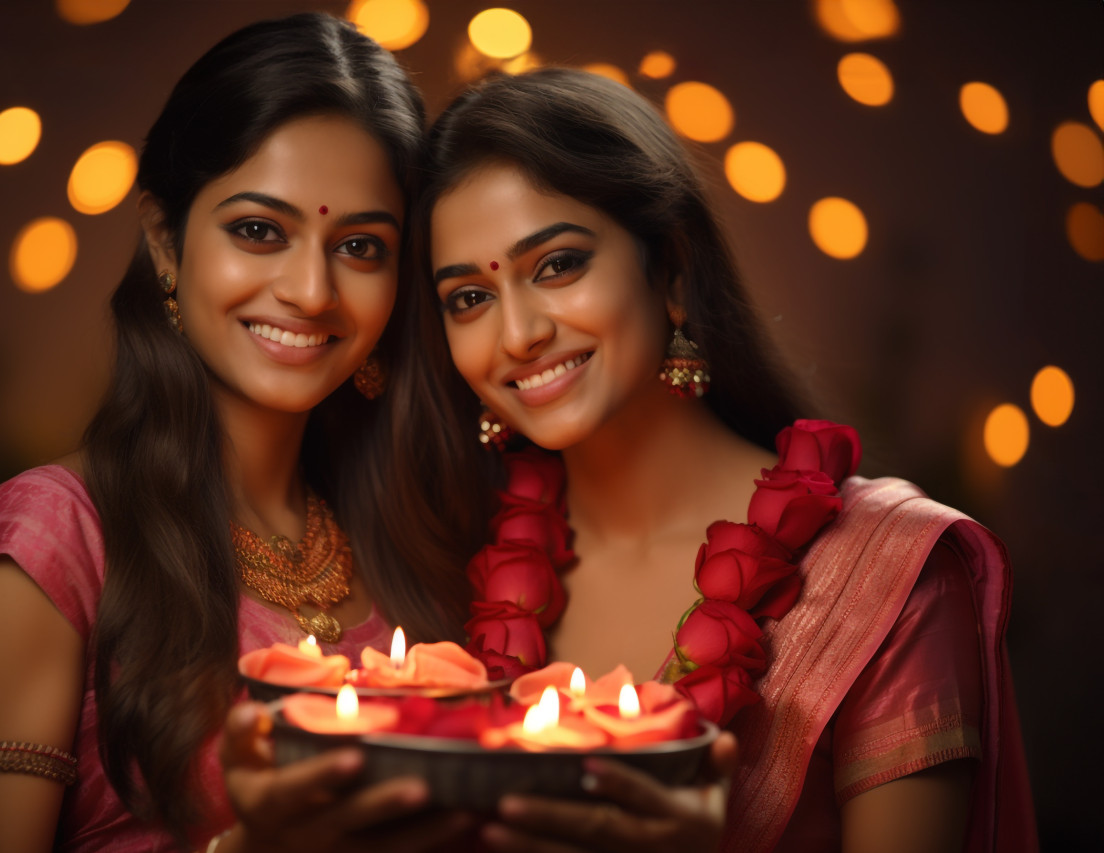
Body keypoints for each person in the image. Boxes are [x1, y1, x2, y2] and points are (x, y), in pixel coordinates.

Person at [396, 68, 1038, 852]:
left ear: (670, 270)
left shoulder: (888, 574)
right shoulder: (446, 560)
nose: (519, 332)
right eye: (469, 297)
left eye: (558, 264)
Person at [0, 14, 474, 852]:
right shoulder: (51, 544)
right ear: (164, 241)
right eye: (259, 230)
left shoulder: (414, 537)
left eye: (360, 245)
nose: (309, 290)